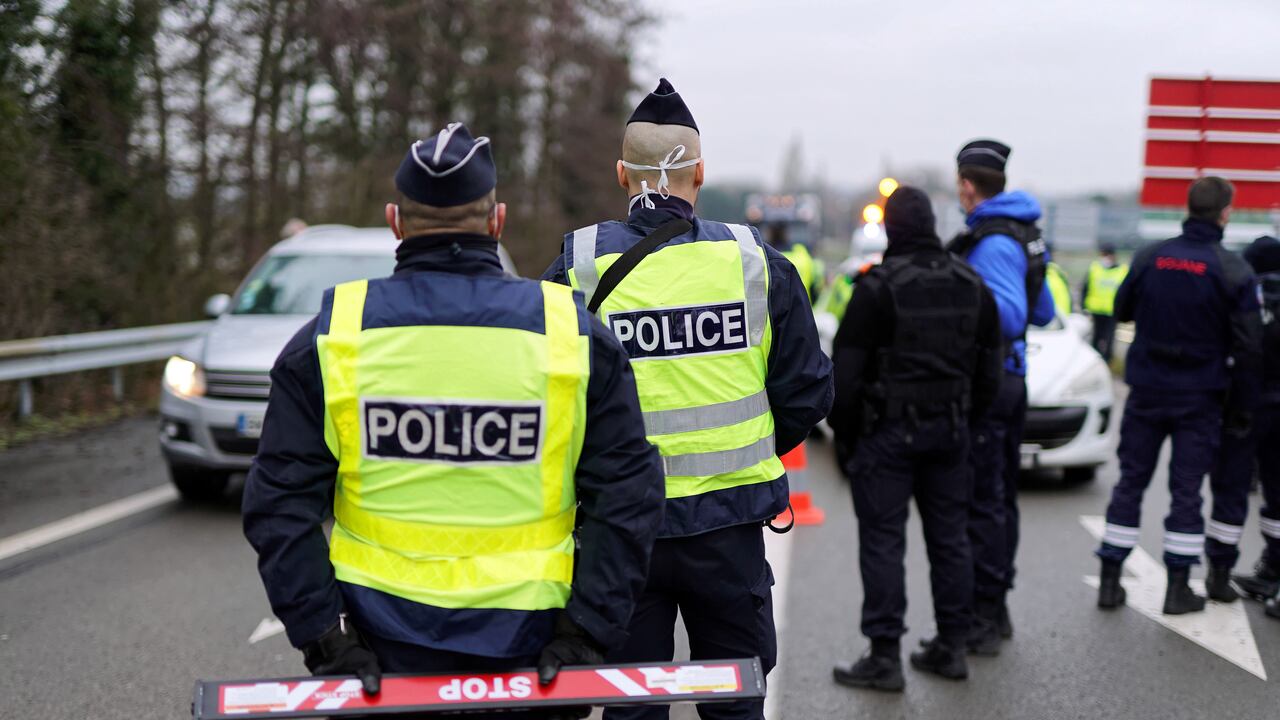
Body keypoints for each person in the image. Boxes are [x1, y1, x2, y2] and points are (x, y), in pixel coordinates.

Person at [243, 123, 666, 719]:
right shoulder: (571, 336)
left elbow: (278, 504)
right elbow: (628, 497)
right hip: (533, 656)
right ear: (497, 222)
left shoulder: (333, 337)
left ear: (396, 221)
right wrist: (586, 634)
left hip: (380, 655)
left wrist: (325, 638)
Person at [543, 78, 833, 720]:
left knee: (630, 705)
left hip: (620, 530)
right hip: (727, 529)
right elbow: (808, 389)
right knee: (733, 702)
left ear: (623, 174)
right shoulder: (756, 264)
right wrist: (748, 442)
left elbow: (548, 392)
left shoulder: (577, 266)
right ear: (701, 172)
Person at [828, 187, 1003, 691]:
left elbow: (846, 376)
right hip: (950, 433)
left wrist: (851, 439)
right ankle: (951, 646)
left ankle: (885, 656)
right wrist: (965, 423)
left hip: (887, 436)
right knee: (950, 541)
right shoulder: (973, 283)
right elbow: (991, 371)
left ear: (891, 228)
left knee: (884, 543)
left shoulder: (877, 287)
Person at [1094, 176, 1261, 615]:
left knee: (1130, 482)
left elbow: (1122, 310)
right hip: (1200, 399)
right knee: (1186, 492)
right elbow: (1248, 347)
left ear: (1188, 208)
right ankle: (1177, 590)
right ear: (1225, 213)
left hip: (1147, 391)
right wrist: (1242, 408)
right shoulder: (1232, 270)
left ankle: (1110, 583)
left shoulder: (1151, 256)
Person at [947, 139, 1055, 654]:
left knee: (983, 502)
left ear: (968, 186)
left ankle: (984, 618)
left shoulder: (991, 241)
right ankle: (999, 608)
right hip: (1014, 380)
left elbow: (1013, 314)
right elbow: (1043, 309)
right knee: (1000, 499)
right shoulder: (1024, 230)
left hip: (991, 384)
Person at [1211, 235, 1280, 605]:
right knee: (1278, 494)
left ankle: (1219, 572)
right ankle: (1273, 570)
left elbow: (1231, 348)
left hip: (1246, 407)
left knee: (1232, 487)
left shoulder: (1244, 296)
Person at [1081, 243, 1129, 361]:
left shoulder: (1122, 271)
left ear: (1113, 256)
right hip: (1095, 310)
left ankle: (1107, 362)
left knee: (1109, 339)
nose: (1104, 258)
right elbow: (1085, 288)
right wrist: (1084, 306)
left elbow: (1126, 292)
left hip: (1112, 311)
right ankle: (1094, 360)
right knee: (1096, 338)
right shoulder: (1095, 268)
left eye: (1105, 255)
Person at [766, 223, 825, 304]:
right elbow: (815, 288)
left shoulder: (764, 258)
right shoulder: (803, 256)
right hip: (802, 308)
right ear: (787, 234)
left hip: (772, 312)